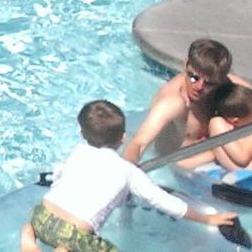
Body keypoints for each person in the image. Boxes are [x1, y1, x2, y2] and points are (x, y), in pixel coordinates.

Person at [19, 99, 235, 252]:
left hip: (40, 217)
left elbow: (58, 177)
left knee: (59, 235)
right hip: (75, 233)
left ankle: (29, 237)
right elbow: (164, 201)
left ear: (82, 133)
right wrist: (208, 218)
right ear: (123, 138)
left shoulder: (77, 152)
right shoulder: (126, 171)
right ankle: (65, 249)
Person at [123, 38, 252, 164]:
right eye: (193, 77)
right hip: (180, 168)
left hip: (218, 155)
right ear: (186, 64)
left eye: (209, 83)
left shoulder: (226, 84)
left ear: (221, 78)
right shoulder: (174, 102)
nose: (199, 87)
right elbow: (138, 144)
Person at [196, 83, 252, 174]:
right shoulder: (217, 124)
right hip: (251, 175)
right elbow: (242, 159)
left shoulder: (244, 123)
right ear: (235, 121)